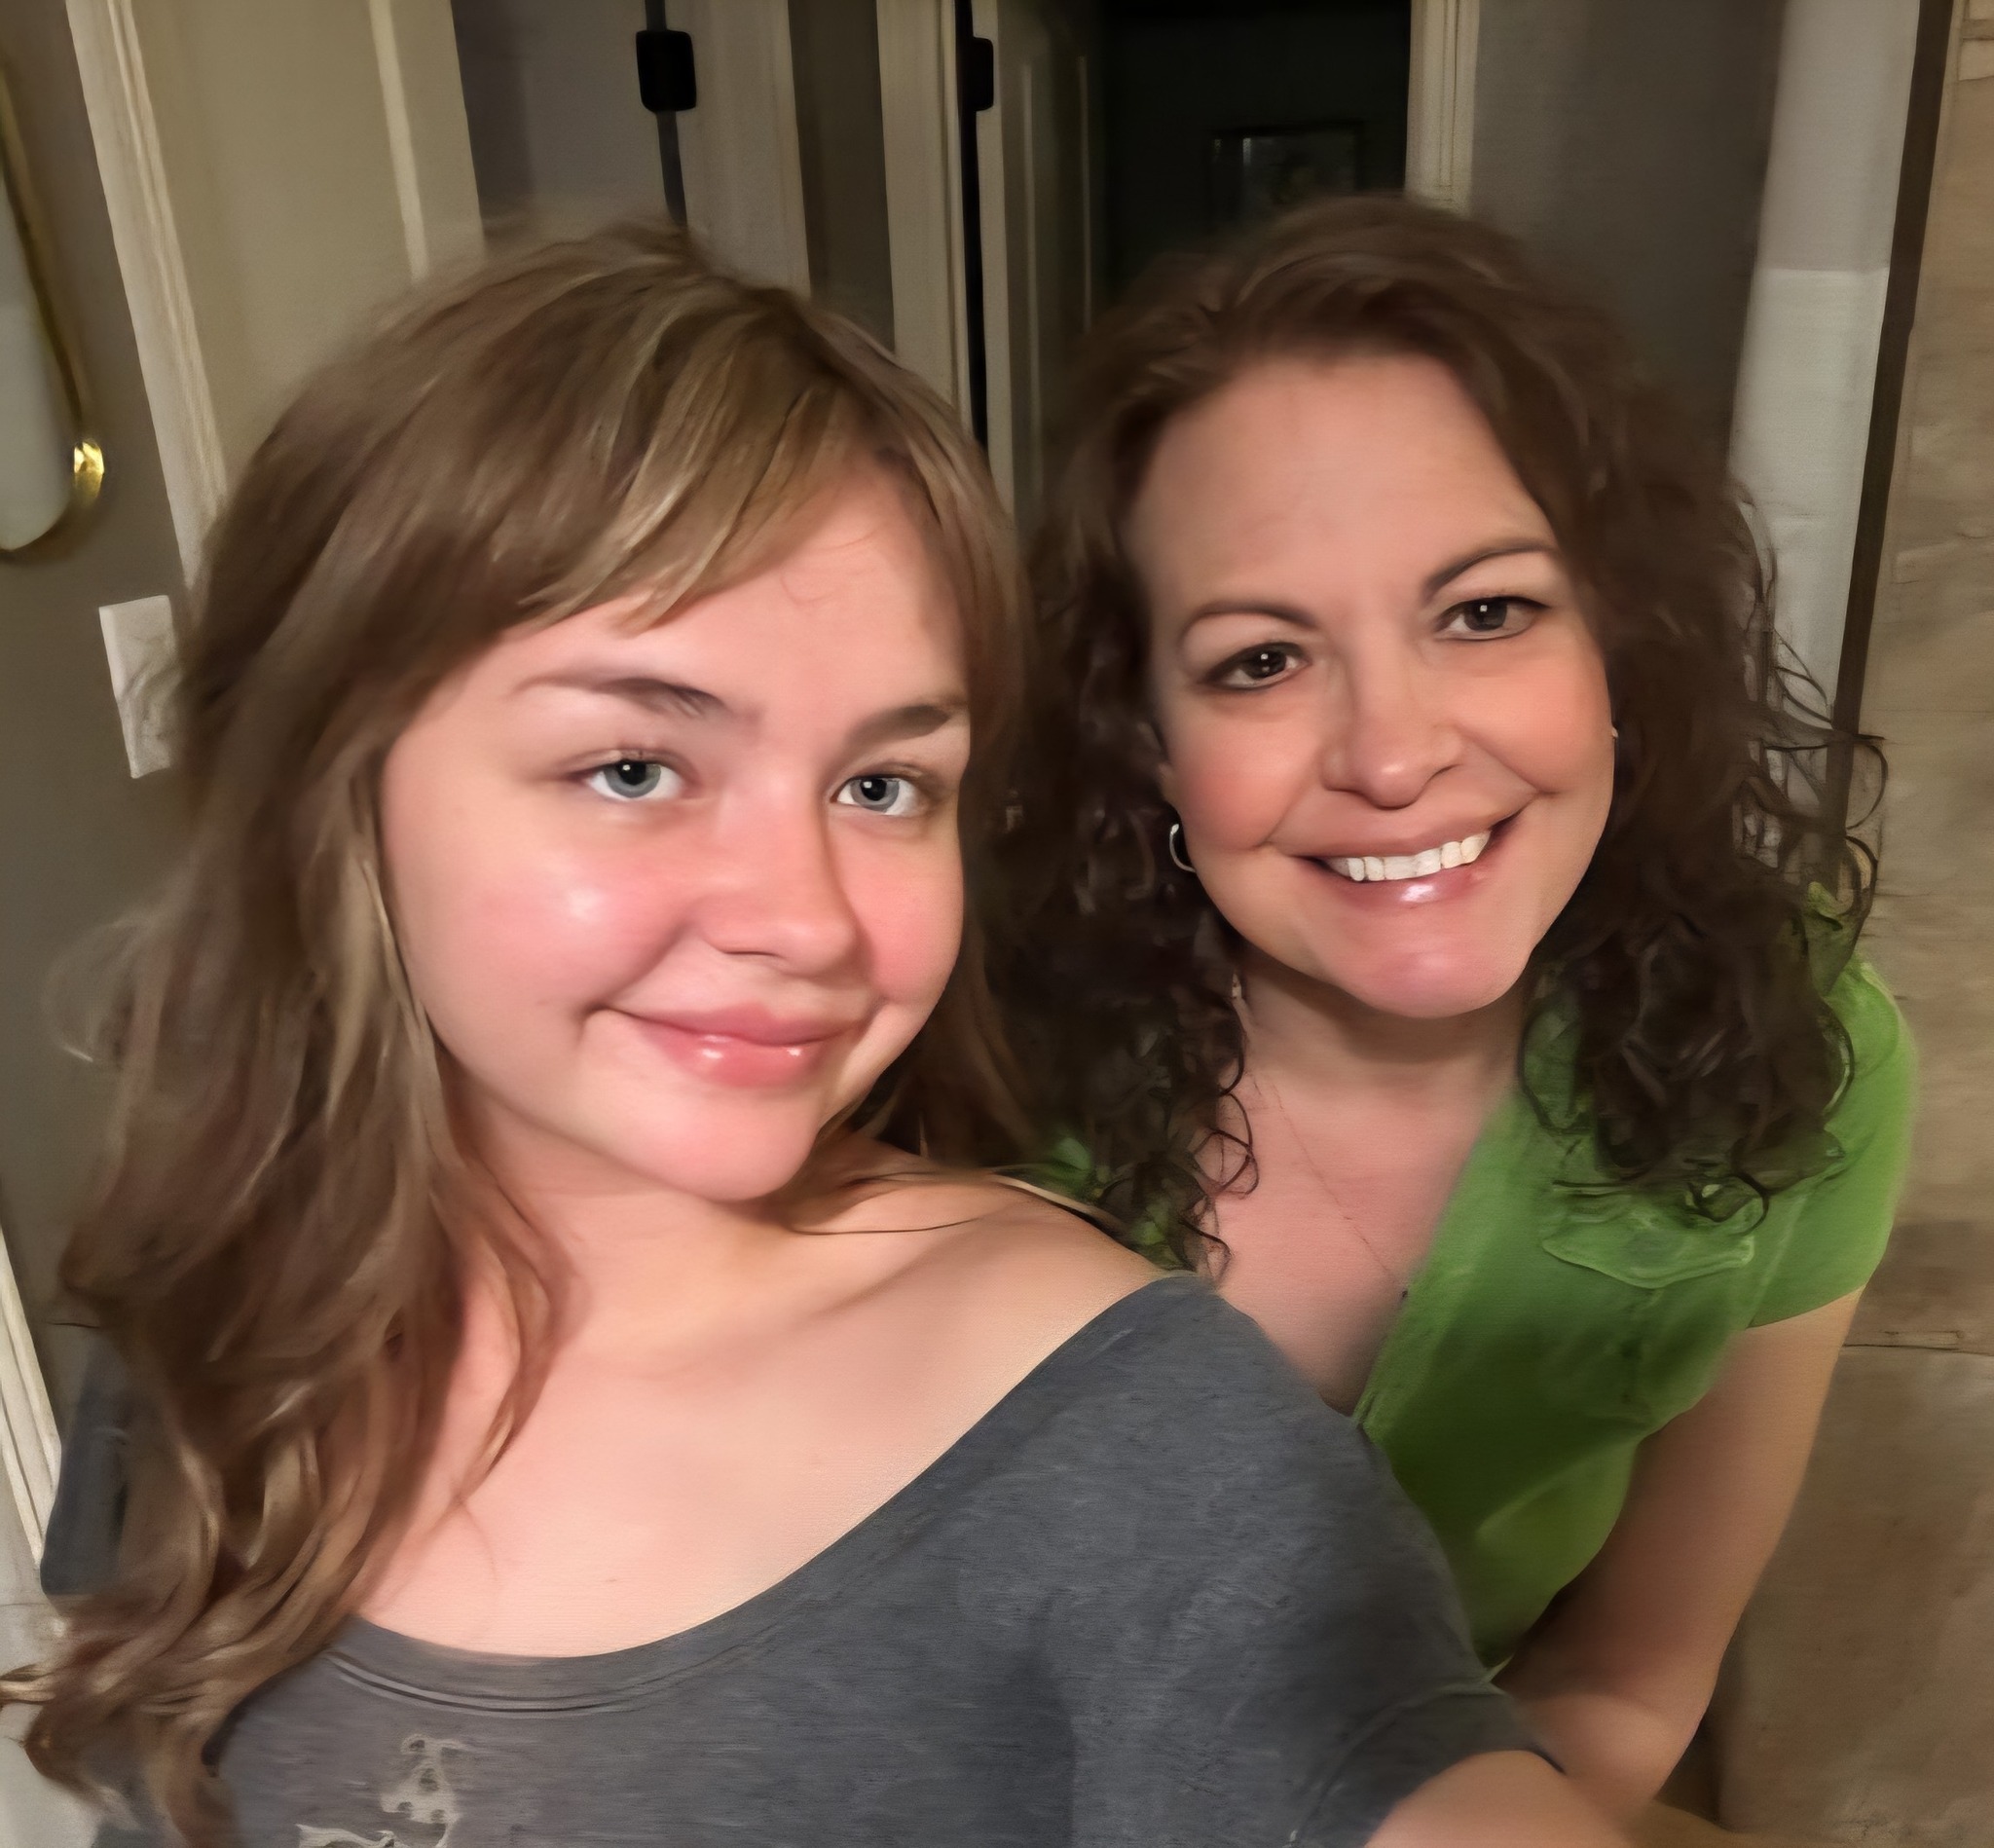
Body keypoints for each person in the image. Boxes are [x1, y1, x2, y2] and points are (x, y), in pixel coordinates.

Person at [8, 227, 1623, 1848]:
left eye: (881, 784)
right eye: (635, 767)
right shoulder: (219, 1302)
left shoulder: (1137, 1442)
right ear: (326, 785)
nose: (808, 920)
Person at [1003, 196, 1916, 1825]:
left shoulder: (1802, 1047)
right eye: (1261, 660)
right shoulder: (963, 1066)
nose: (1393, 753)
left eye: (1485, 613)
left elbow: (1626, 1672)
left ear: (1619, 642)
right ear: (1143, 739)